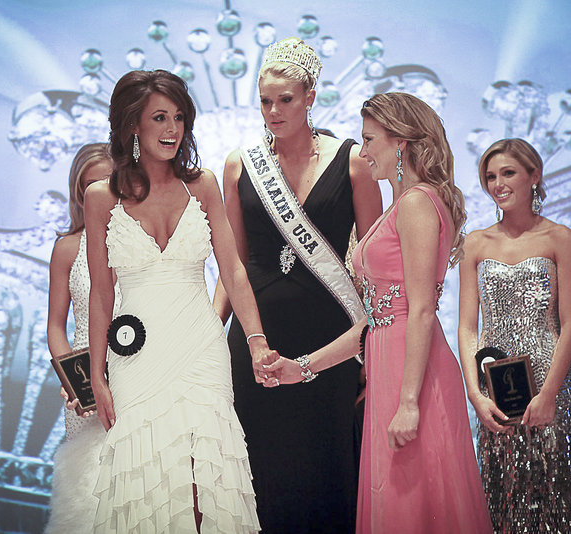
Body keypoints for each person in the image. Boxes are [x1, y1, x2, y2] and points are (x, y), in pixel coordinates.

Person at [265, 92, 492, 533]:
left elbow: (422, 310)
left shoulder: (417, 203)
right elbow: (374, 321)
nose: (362, 151)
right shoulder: (404, 204)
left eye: (370, 140)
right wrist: (303, 368)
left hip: (414, 373)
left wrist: (409, 403)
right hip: (393, 362)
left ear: (401, 144)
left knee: (418, 506)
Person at [84, 69, 270, 532]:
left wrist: (256, 340)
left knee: (204, 480)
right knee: (145, 479)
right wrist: (96, 374)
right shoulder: (100, 198)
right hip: (137, 357)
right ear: (132, 125)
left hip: (200, 349)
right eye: (159, 118)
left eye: (179, 118)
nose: (172, 130)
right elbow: (101, 295)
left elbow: (233, 272)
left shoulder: (201, 184)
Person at [211, 37, 381, 533]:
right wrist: (207, 332)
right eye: (265, 101)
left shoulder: (352, 162)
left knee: (328, 472)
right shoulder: (240, 165)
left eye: (285, 99)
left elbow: (371, 263)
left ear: (310, 96)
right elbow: (235, 261)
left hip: (330, 341)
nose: (273, 111)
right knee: (256, 471)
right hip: (257, 340)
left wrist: (374, 351)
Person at [457, 138, 571, 533]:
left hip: (549, 379)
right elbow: (467, 326)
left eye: (508, 173)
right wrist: (474, 393)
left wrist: (548, 393)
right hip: (496, 385)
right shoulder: (475, 243)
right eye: (490, 176)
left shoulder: (560, 238)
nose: (498, 183)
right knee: (503, 488)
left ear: (534, 176)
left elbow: (570, 323)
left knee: (553, 488)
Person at [44, 143, 113, 533]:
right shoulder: (67, 248)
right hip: (85, 387)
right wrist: (75, 381)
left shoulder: (139, 239)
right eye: (89, 185)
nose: (98, 192)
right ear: (77, 192)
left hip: (139, 375)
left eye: (106, 181)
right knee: (87, 495)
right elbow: (56, 325)